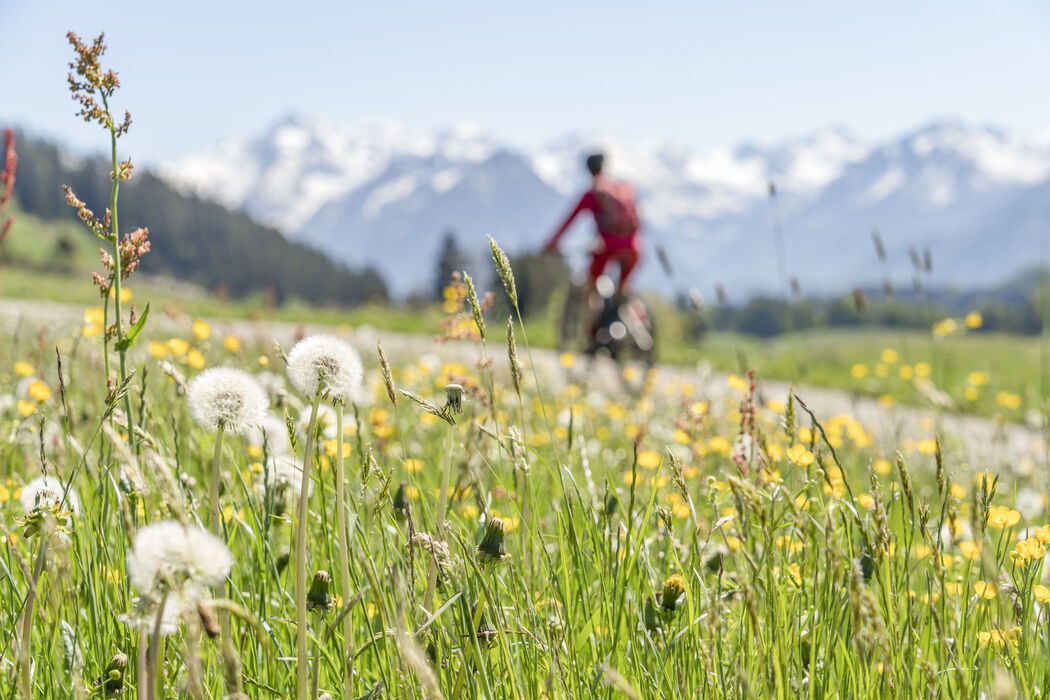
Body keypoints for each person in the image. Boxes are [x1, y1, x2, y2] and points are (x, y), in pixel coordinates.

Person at [543, 153, 641, 294]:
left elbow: (568, 221)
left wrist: (552, 243)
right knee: (623, 290)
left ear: (589, 170)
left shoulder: (592, 194)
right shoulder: (623, 188)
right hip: (634, 246)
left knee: (591, 288)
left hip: (606, 246)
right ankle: (631, 309)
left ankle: (591, 315)